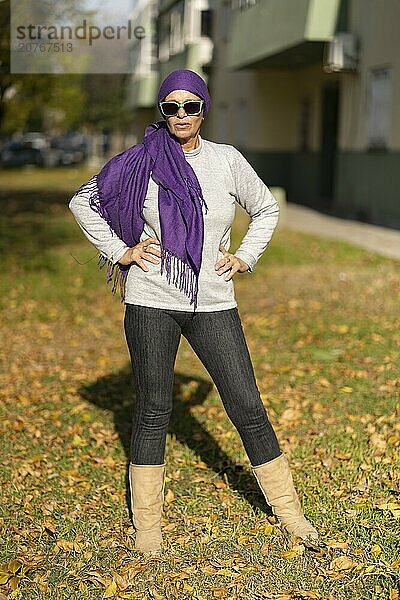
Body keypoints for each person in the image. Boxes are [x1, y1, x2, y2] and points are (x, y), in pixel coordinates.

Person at [69, 69, 318, 556]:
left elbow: (266, 208)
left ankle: (289, 511)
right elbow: (83, 202)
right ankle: (148, 528)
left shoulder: (227, 161)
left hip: (213, 301)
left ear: (204, 109)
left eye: (190, 106)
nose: (180, 115)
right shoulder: (138, 162)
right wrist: (121, 250)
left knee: (246, 403)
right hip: (150, 300)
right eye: (171, 107)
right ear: (161, 111)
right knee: (154, 409)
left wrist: (245, 256)